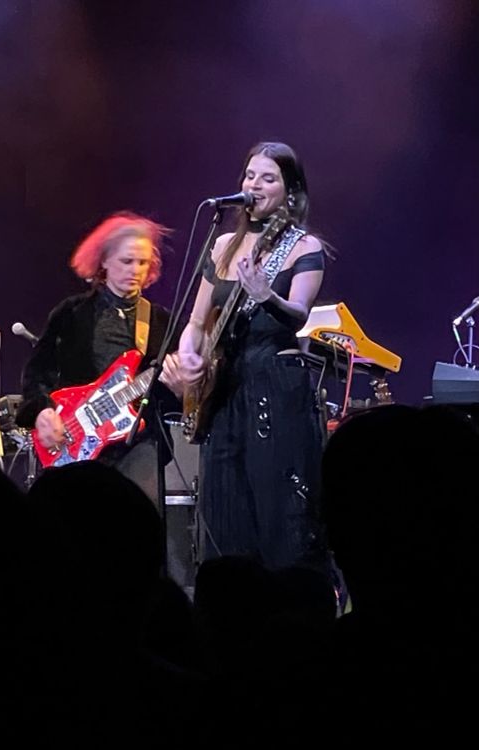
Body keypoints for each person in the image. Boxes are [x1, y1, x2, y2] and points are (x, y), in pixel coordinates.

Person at [164, 141, 330, 574]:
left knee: (278, 513)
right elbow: (196, 322)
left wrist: (266, 295)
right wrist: (188, 356)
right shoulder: (222, 244)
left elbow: (298, 313)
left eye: (268, 178)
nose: (254, 185)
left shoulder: (302, 247)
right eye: (250, 175)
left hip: (274, 386)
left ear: (290, 190)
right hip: (224, 395)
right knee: (224, 515)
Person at [16, 211, 180, 512]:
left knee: (139, 519)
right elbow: (37, 372)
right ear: (104, 261)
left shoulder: (161, 322)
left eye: (142, 262)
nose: (135, 270)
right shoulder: (71, 313)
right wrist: (42, 411)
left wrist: (180, 385)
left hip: (138, 442)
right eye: (126, 261)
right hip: (76, 438)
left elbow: (177, 398)